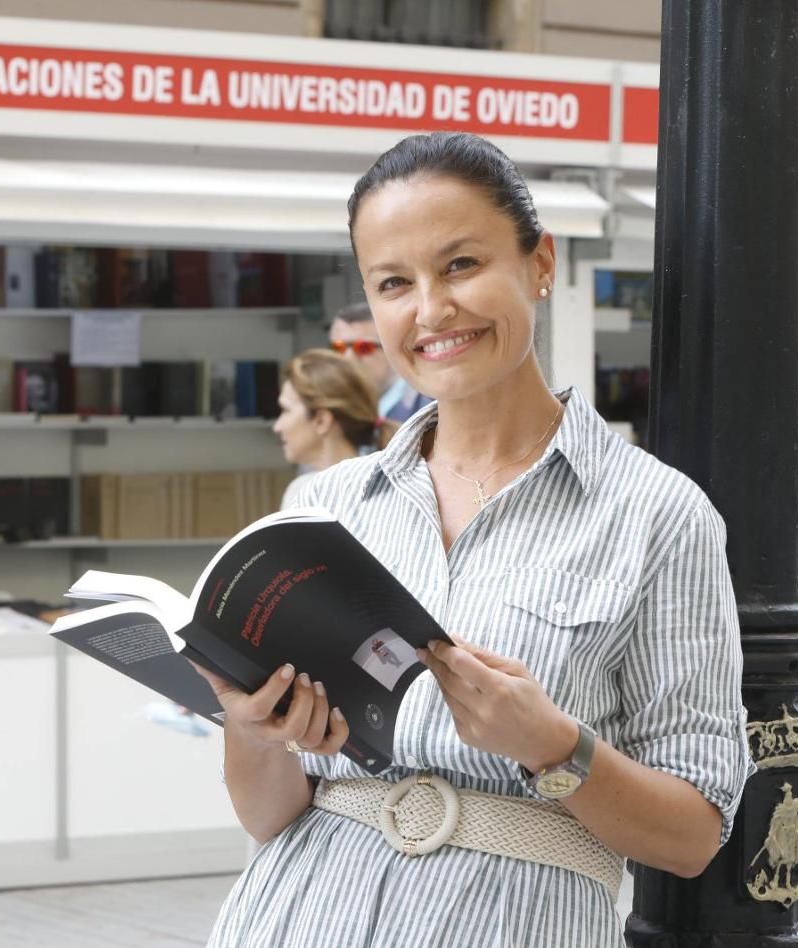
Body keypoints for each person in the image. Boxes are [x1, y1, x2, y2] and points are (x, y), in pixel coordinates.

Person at [195, 132, 753, 947]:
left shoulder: (656, 513)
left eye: (461, 265)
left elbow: (694, 835)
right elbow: (268, 813)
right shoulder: (323, 507)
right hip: (295, 915)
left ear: (539, 263)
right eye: (394, 283)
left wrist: (553, 746)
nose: (431, 310)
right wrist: (253, 727)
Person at [272, 348, 396, 509]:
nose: (277, 427)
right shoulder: (386, 488)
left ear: (321, 421)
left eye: (286, 410)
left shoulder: (304, 495)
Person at [329, 300, 431, 423]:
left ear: (392, 347)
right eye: (339, 348)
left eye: (363, 347)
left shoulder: (431, 406)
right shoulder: (330, 411)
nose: (347, 358)